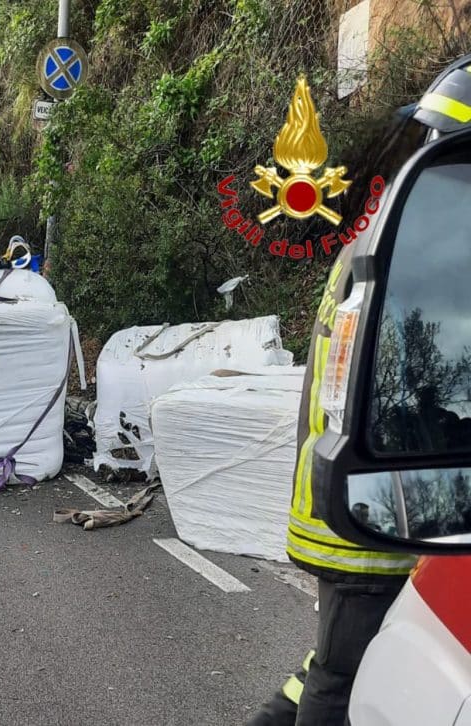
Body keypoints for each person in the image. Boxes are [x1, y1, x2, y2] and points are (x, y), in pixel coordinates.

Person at [247, 244, 416, 726]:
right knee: (340, 676)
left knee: (334, 662)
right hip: (374, 521)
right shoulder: (406, 246)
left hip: (343, 502)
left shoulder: (366, 249)